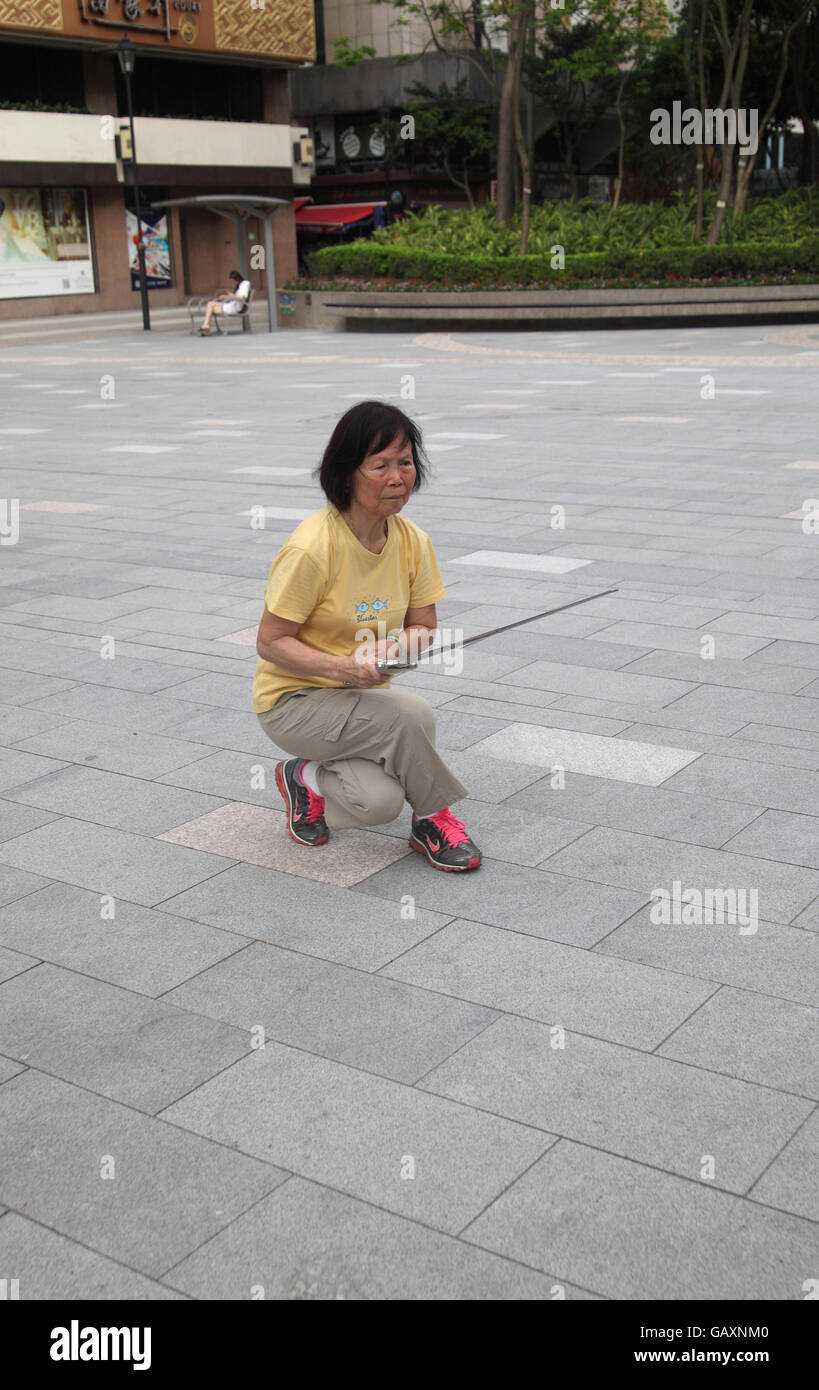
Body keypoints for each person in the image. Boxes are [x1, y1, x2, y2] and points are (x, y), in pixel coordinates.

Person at [253, 400, 482, 872]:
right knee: (411, 715)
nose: (398, 477)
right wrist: (340, 666)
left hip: (359, 701)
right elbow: (270, 641)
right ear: (346, 473)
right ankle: (433, 818)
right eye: (380, 465)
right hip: (294, 701)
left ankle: (303, 777)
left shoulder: (413, 540)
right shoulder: (312, 548)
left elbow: (425, 628)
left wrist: (394, 648)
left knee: (377, 804)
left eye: (405, 462)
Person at [198, 269, 250, 335]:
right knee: (209, 304)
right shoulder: (239, 285)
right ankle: (206, 326)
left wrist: (231, 296)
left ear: (237, 278)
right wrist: (226, 296)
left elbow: (243, 297)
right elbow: (235, 297)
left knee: (210, 308)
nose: (233, 282)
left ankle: (206, 328)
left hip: (235, 307)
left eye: (233, 280)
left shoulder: (245, 284)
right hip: (231, 304)